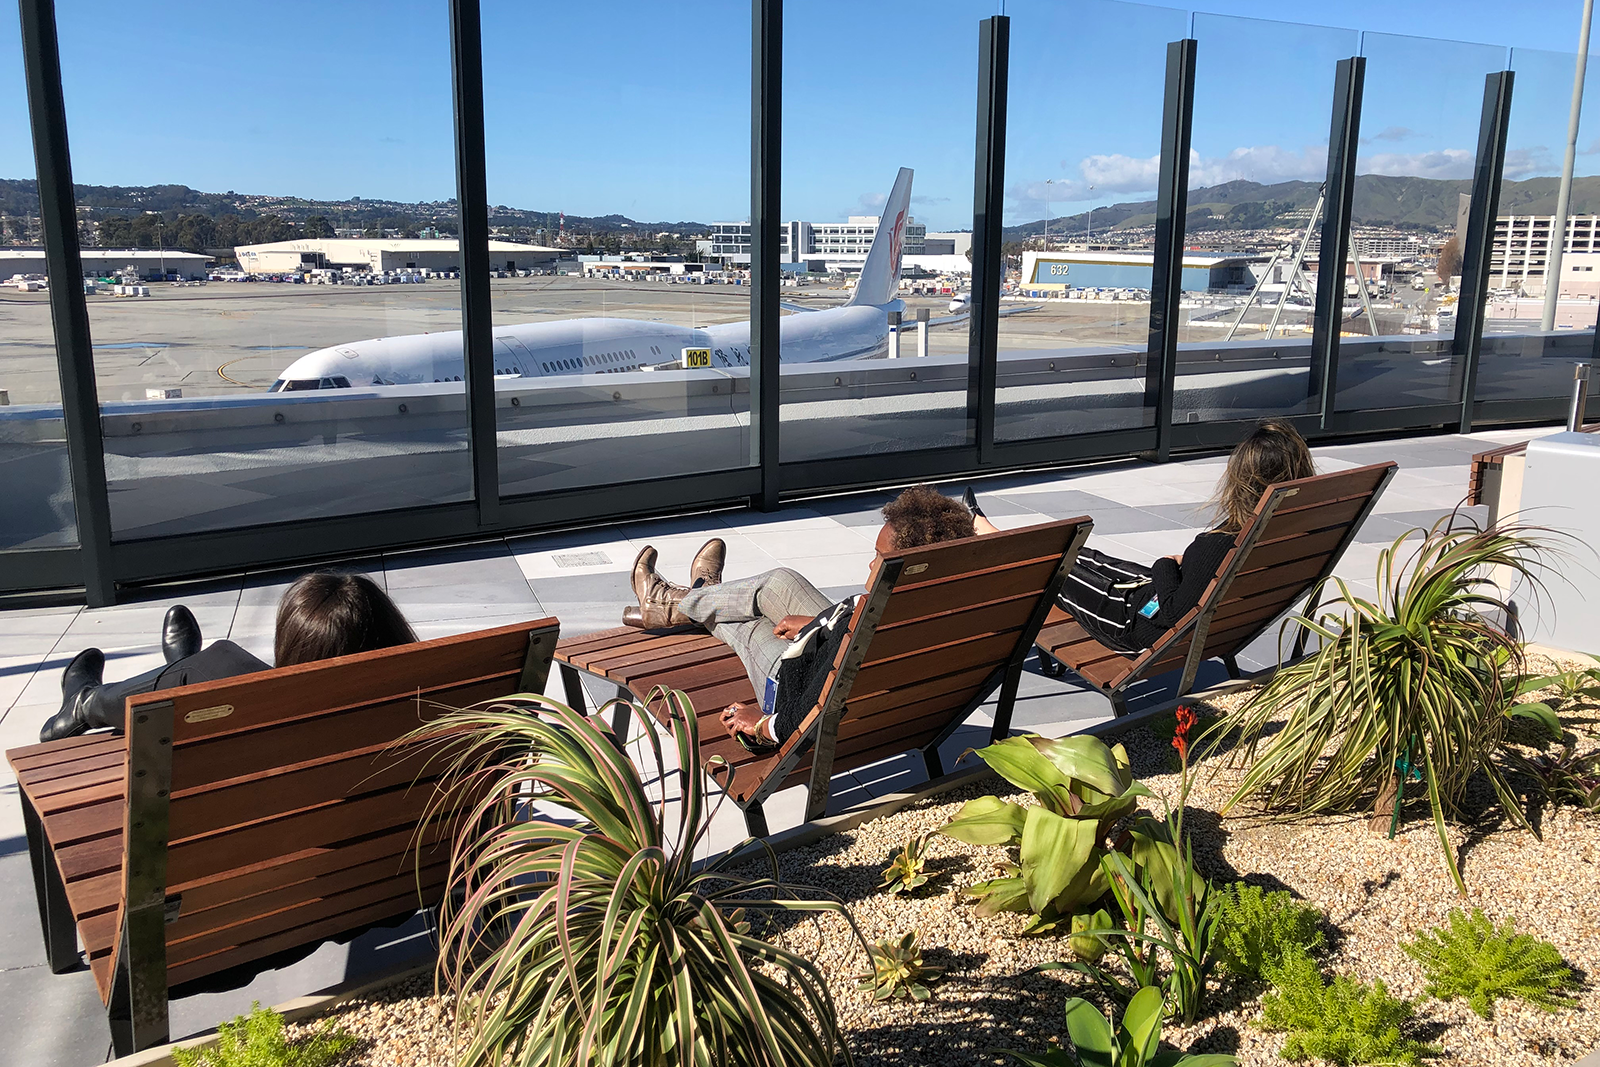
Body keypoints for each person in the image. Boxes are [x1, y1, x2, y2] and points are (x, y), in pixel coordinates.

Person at [626, 485, 976, 753]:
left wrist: (761, 726)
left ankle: (685, 600)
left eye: (879, 557)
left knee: (746, 623)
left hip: (790, 685)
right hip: (837, 645)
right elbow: (849, 630)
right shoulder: (939, 602)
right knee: (779, 581)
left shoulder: (865, 630)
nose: (871, 564)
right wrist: (822, 623)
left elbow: (810, 709)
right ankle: (697, 596)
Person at [968, 419, 1315, 655]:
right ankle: (994, 533)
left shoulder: (1222, 543)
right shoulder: (1292, 533)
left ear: (1240, 481)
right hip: (1158, 605)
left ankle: (987, 538)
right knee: (1085, 556)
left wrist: (1165, 563)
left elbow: (1172, 614)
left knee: (1053, 564)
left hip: (1129, 622)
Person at [39, 571, 417, 742]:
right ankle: (179, 668)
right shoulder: (428, 697)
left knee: (219, 663)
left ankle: (84, 703)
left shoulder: (276, 727)